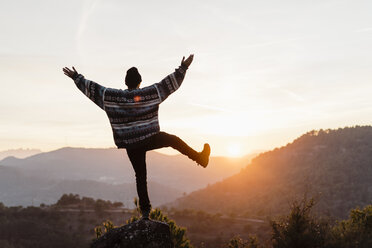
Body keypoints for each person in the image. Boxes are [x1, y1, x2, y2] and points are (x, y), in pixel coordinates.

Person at [63, 54, 211, 219]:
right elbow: (168, 85)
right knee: (173, 140)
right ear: (140, 82)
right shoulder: (150, 93)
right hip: (150, 137)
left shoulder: (115, 97)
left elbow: (95, 90)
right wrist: (183, 67)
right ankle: (200, 158)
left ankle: (146, 212)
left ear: (126, 83)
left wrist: (77, 77)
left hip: (132, 143)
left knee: (141, 176)